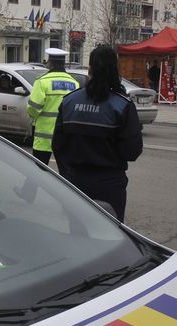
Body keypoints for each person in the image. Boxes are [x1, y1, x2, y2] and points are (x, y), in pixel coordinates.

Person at [53, 44, 143, 223]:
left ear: (90, 69)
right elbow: (132, 151)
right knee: (110, 234)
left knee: (77, 233)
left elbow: (57, 145)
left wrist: (68, 175)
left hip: (75, 182)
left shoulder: (70, 101)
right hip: (109, 186)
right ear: (115, 70)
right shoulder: (122, 105)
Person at [26, 47, 79, 165]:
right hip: (65, 136)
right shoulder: (74, 83)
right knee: (65, 171)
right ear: (63, 63)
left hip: (43, 137)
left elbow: (33, 108)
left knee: (39, 170)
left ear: (50, 63)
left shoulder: (42, 81)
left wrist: (33, 118)